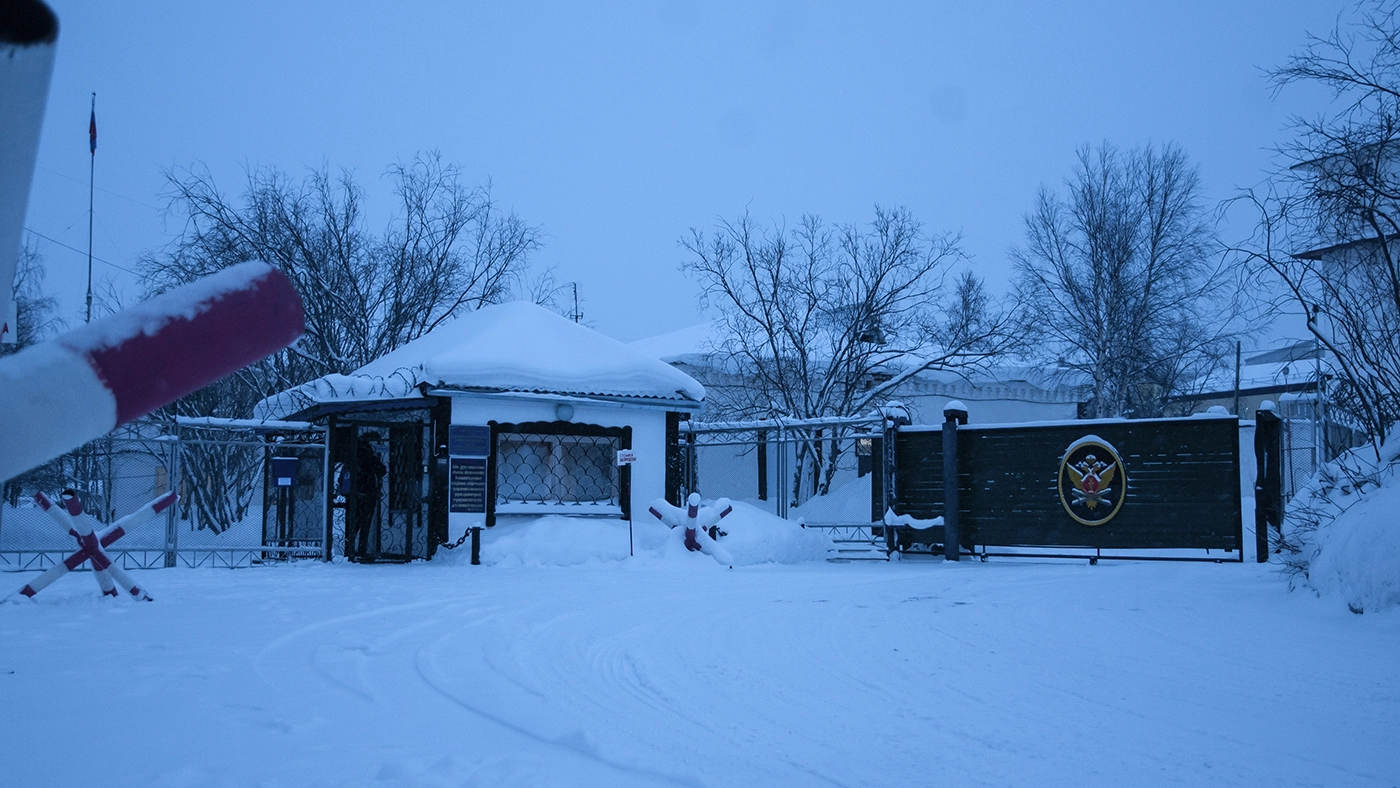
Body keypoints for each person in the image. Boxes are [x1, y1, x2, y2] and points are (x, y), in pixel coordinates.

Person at [348, 433, 386, 561]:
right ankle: (361, 550)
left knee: (353, 523)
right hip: (367, 493)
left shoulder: (351, 454)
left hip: (354, 494)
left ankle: (349, 550)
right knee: (365, 523)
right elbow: (381, 470)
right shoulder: (368, 455)